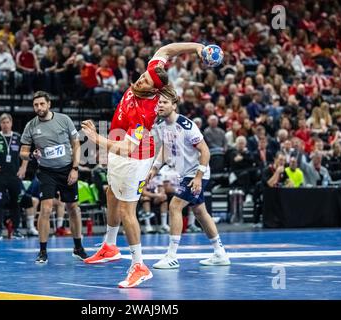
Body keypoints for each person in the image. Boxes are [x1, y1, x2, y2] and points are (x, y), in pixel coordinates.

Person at [81, 42, 206, 288]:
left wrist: (96, 139)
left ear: (153, 90)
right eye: (141, 77)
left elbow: (128, 148)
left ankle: (139, 265)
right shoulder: (151, 74)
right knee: (110, 193)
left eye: (145, 83)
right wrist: (197, 47)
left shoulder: (145, 113)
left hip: (134, 159)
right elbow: (166, 51)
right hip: (118, 150)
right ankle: (109, 246)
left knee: (128, 211)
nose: (139, 82)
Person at [147, 94, 230, 269]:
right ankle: (220, 253)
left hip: (197, 172)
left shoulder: (186, 125)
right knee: (200, 212)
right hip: (186, 173)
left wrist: (198, 177)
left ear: (174, 105)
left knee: (174, 206)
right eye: (159, 102)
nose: (160, 105)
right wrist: (154, 169)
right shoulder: (161, 125)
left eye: (164, 102)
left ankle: (171, 256)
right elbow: (165, 149)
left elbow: (205, 151)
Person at [20, 91, 87, 263]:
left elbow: (76, 144)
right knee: (46, 208)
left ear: (49, 104)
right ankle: (42, 251)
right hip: (46, 172)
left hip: (66, 170)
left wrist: (75, 168)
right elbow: (23, 152)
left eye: (42, 104)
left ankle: (78, 248)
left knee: (73, 207)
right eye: (36, 105)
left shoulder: (64, 120)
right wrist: (31, 155)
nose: (39, 107)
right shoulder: (31, 125)